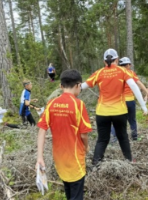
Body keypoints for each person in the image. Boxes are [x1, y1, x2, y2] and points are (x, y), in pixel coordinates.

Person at [81, 48, 148, 165]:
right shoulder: (122, 71)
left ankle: (96, 163)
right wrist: (143, 106)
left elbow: (83, 86)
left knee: (102, 139)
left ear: (104, 61)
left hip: (102, 112)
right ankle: (129, 160)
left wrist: (66, 92)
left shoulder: (99, 73)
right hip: (119, 112)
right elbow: (134, 86)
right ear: (117, 59)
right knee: (123, 137)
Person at [36, 69, 92, 200]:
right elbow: (84, 134)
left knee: (68, 190)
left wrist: (40, 157)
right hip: (75, 160)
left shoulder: (51, 104)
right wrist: (87, 147)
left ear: (61, 86)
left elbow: (42, 130)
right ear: (78, 85)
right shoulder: (79, 104)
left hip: (59, 159)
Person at [117, 57, 148, 140]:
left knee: (118, 121)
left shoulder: (117, 73)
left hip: (120, 101)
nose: (130, 65)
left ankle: (114, 140)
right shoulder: (131, 73)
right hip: (130, 101)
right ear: (127, 65)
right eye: (129, 64)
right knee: (132, 120)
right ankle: (134, 137)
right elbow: (139, 84)